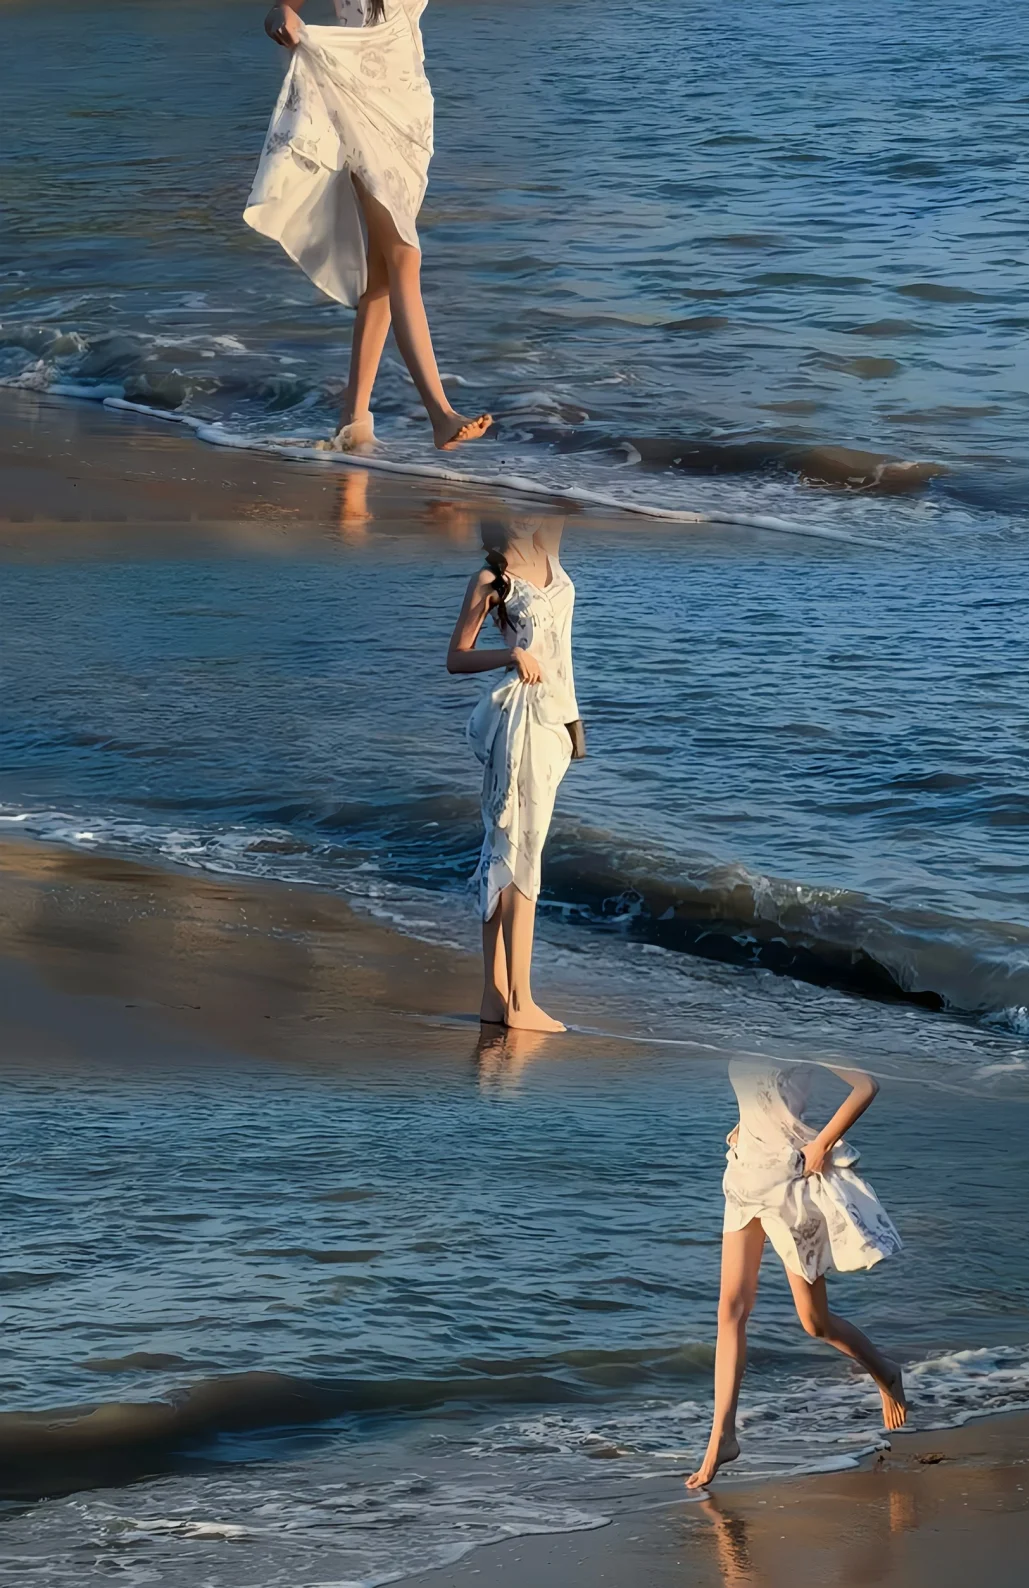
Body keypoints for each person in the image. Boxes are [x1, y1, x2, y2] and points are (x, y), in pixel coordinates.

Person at [248, 0, 492, 452]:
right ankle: (439, 413)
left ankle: (353, 419)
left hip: (410, 108)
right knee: (404, 254)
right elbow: (283, 8)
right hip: (354, 97)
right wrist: (280, 12)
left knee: (382, 270)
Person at [686, 1054, 906, 1490]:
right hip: (744, 1176)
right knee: (730, 1310)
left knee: (814, 1322)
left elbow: (866, 1085)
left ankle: (886, 1371)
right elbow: (761, 1100)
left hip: (789, 1185)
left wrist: (821, 1146)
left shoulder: (800, 1033)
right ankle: (722, 1437)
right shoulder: (747, 1028)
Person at [446, 516, 581, 1033]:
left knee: (514, 848)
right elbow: (455, 658)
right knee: (513, 849)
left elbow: (564, 476)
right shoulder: (489, 579)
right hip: (519, 717)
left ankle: (495, 997)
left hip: (555, 719)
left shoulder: (549, 550)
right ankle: (516, 1000)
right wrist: (511, 653)